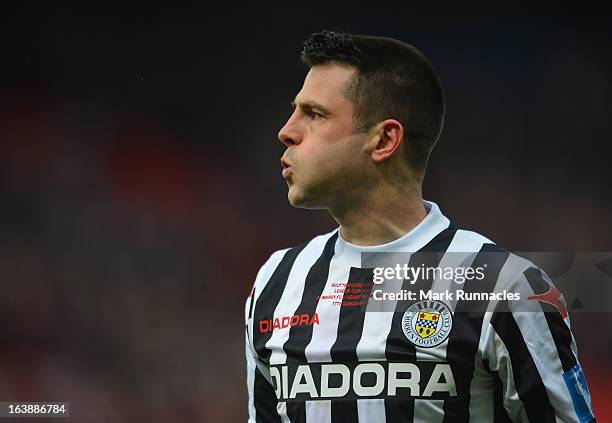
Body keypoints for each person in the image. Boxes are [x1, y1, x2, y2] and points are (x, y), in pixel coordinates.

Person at [244, 30, 596, 423]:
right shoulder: (276, 283)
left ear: (384, 140)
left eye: (314, 114)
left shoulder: (504, 286)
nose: (286, 131)